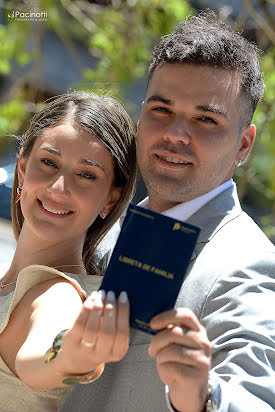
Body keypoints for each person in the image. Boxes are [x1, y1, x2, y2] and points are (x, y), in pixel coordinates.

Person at [59, 12, 275, 412]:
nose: (175, 133)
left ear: (244, 145)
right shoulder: (98, 229)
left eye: (205, 119)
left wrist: (203, 394)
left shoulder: (249, 263)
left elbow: (256, 398)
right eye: (161, 110)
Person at [0, 91, 137, 411]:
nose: (59, 188)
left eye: (86, 175)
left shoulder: (59, 295)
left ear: (110, 200)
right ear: (22, 167)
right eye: (49, 162)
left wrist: (69, 356)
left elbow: (46, 356)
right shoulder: (14, 284)